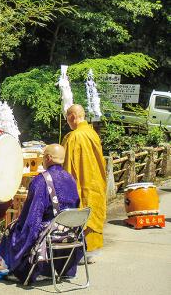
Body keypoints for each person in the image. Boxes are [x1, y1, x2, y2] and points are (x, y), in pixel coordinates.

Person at [0, 144, 81, 283]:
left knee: (13, 230)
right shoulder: (71, 178)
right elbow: (76, 204)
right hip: (71, 230)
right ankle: (64, 269)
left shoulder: (41, 181)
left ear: (48, 158)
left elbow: (32, 216)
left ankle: (26, 270)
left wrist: (20, 225)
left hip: (50, 232)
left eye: (43, 156)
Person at [62, 104, 106, 261]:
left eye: (67, 118)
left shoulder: (74, 137)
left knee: (82, 210)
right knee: (94, 210)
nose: (67, 122)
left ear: (72, 116)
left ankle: (81, 251)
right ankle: (93, 249)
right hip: (95, 182)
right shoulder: (92, 133)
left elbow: (66, 166)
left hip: (82, 183)